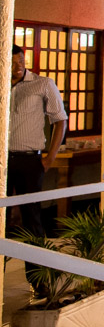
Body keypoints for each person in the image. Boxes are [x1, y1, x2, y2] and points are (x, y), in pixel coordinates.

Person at [8, 44, 68, 285]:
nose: (17, 66)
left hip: (30, 159)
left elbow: (59, 120)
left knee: (31, 217)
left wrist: (49, 158)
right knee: (2, 219)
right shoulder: (3, 84)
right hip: (4, 161)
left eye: (20, 61)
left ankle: (39, 281)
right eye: (12, 62)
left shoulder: (42, 84)